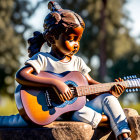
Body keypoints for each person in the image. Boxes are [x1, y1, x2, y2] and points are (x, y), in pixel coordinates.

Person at [0, 1, 131, 140]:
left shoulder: (77, 62)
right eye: (71, 39)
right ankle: (106, 120)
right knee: (9, 121)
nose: (76, 44)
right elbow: (21, 75)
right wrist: (55, 84)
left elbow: (90, 85)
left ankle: (123, 135)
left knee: (108, 99)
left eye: (78, 40)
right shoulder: (43, 59)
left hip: (75, 108)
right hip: (47, 110)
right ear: (52, 38)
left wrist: (110, 90)